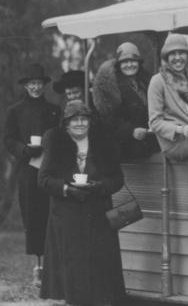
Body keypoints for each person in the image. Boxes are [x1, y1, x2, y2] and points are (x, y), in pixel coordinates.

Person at [38, 100, 125, 305]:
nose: (79, 123)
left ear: (90, 122)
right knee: (73, 271)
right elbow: (43, 180)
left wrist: (99, 186)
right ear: (66, 124)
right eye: (74, 120)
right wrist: (68, 189)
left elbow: (117, 179)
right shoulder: (55, 141)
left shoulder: (103, 142)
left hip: (98, 215)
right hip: (67, 217)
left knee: (100, 271)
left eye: (83, 119)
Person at [3, 63, 60, 283]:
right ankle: (38, 267)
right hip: (27, 170)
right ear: (26, 86)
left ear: (44, 85)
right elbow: (8, 139)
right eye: (32, 83)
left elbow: (60, 137)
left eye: (39, 83)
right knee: (33, 215)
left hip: (50, 169)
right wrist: (24, 150)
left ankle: (52, 264)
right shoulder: (15, 111)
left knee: (51, 212)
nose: (35, 87)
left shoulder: (53, 110)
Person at [93, 42, 159, 160]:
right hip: (126, 145)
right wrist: (131, 131)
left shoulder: (146, 81)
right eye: (124, 62)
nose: (129, 65)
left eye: (133, 61)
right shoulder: (112, 87)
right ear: (119, 65)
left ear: (138, 63)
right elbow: (107, 119)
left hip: (151, 136)